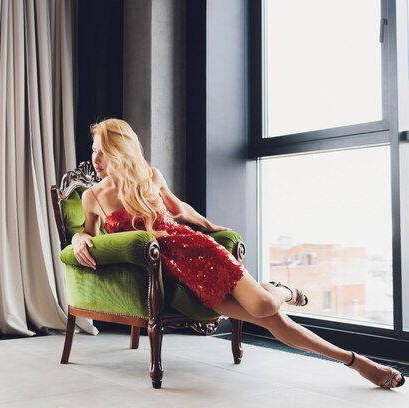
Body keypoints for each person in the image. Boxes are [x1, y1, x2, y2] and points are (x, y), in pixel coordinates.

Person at [71, 118, 405, 390]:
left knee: (265, 306)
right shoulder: (93, 197)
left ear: (121, 152)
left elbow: (179, 209)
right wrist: (77, 240)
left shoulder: (151, 177)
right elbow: (88, 232)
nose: (95, 160)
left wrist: (209, 225)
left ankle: (341, 346)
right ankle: (348, 353)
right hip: (179, 278)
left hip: (200, 252)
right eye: (94, 152)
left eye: (101, 153)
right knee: (270, 316)